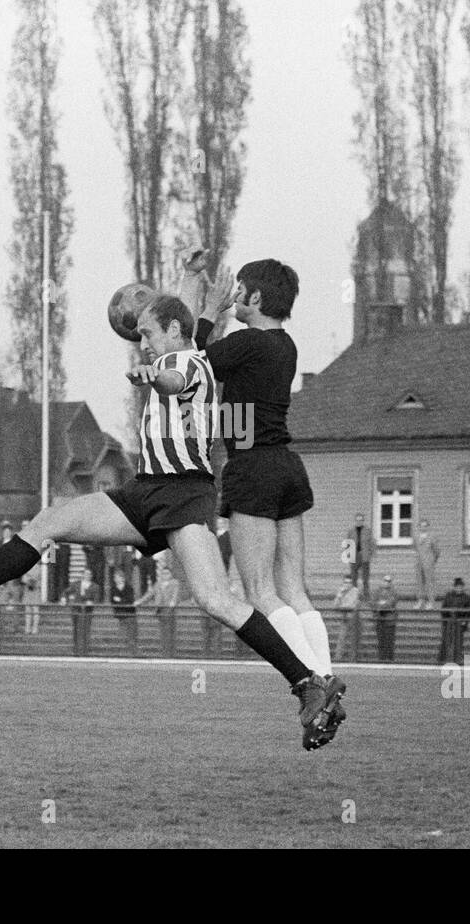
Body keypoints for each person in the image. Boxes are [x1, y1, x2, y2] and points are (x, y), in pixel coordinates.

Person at [0, 290, 343, 749]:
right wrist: (198, 290)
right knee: (47, 521)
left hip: (184, 493)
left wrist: (153, 377)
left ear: (174, 332)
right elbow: (185, 324)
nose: (142, 342)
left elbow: (175, 379)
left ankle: (308, 684)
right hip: (142, 490)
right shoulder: (187, 343)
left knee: (216, 600)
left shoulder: (192, 364)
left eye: (148, 333)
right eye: (140, 335)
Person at [190, 256, 346, 744]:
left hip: (254, 466)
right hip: (285, 465)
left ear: (255, 300)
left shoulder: (246, 341)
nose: (233, 296)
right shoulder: (283, 344)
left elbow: (192, 365)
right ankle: (325, 677)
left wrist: (208, 313)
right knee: (293, 589)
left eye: (238, 291)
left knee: (258, 590)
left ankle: (313, 683)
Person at [137, 564, 180, 657]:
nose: (165, 575)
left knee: (170, 632)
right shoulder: (158, 583)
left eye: (167, 573)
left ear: (171, 574)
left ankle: (170, 653)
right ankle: (165, 652)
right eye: (163, 573)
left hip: (169, 610)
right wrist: (140, 602)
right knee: (163, 632)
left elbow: (175, 595)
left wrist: (173, 602)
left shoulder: (174, 583)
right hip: (160, 610)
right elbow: (150, 594)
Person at [63, 568, 100, 656]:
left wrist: (91, 602)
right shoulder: (76, 584)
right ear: (82, 575)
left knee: (86, 630)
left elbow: (96, 599)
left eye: (89, 574)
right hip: (76, 610)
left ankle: (85, 650)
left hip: (87, 611)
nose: (88, 576)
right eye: (86, 574)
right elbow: (66, 592)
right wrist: (64, 598)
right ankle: (76, 650)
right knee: (76, 630)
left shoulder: (95, 586)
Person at [439, 577, 470, 663]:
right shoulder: (448, 596)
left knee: (458, 642)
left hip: (459, 623)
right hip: (448, 622)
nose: (459, 589)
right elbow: (443, 608)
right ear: (454, 587)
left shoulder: (467, 598)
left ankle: (457, 659)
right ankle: (442, 659)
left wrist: (465, 621)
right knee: (446, 641)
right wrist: (446, 619)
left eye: (461, 587)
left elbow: (469, 612)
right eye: (458, 587)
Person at [344, 512, 373, 599]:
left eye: (361, 520)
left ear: (363, 521)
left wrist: (369, 554)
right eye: (357, 520)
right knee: (354, 577)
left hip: (364, 555)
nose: (359, 522)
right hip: (354, 555)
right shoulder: (351, 531)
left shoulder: (368, 531)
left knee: (365, 577)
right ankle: (354, 595)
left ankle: (366, 595)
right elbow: (348, 543)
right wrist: (348, 555)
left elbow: (372, 543)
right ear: (355, 521)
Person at [332, 575, 360, 662]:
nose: (347, 584)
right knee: (341, 638)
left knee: (353, 639)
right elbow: (335, 605)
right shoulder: (341, 591)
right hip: (344, 618)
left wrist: (342, 606)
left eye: (349, 582)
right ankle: (338, 658)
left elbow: (352, 604)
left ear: (352, 583)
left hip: (353, 619)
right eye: (345, 582)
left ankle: (353, 659)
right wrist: (340, 595)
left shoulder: (355, 591)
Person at [109, 567, 137, 656]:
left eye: (118, 577)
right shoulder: (113, 589)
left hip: (130, 614)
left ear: (122, 578)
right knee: (123, 636)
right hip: (119, 615)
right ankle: (124, 653)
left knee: (131, 636)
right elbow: (112, 601)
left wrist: (119, 600)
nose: (116, 579)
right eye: (115, 577)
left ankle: (133, 653)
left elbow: (130, 600)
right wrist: (121, 601)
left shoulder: (129, 588)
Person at [371, 576, 398, 661]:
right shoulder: (377, 592)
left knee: (389, 641)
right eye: (385, 580)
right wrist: (382, 604)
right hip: (379, 619)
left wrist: (381, 604)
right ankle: (381, 658)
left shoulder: (394, 592)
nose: (387, 582)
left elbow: (391, 602)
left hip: (390, 620)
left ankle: (389, 658)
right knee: (381, 640)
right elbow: (373, 603)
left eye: (389, 581)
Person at [414, 518, 439, 609]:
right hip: (419, 562)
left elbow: (436, 551)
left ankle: (431, 602)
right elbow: (416, 548)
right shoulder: (416, 537)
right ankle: (420, 600)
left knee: (429, 582)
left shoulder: (432, 537)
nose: (423, 528)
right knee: (420, 582)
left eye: (425, 526)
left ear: (428, 527)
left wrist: (432, 560)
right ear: (419, 527)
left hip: (429, 562)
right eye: (421, 526)